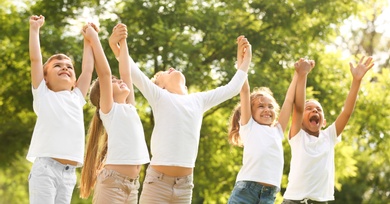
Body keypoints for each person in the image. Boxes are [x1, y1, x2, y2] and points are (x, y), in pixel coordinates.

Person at [109, 29, 252, 203]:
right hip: (157, 184)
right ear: (160, 86)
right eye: (164, 73)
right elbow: (131, 70)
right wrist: (117, 46)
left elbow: (232, 88)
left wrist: (245, 62)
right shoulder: (160, 96)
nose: (170, 68)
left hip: (185, 186)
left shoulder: (198, 100)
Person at [282, 56, 374, 204]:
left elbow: (346, 112)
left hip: (320, 201)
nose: (315, 111)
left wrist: (356, 81)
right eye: (309, 109)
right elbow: (298, 108)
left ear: (323, 122)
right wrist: (302, 75)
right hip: (294, 200)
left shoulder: (329, 136)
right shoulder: (297, 136)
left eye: (318, 109)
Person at [27, 15, 94, 204]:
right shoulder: (43, 94)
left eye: (69, 67)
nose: (64, 68)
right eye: (57, 66)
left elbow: (88, 69)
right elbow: (35, 59)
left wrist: (88, 41)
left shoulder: (77, 97)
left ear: (74, 80)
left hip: (69, 174)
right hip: (46, 170)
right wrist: (34, 29)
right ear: (45, 77)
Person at [79, 23, 150, 203]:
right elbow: (104, 72)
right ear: (104, 94)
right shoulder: (109, 110)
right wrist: (94, 37)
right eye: (114, 81)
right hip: (113, 184)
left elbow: (125, 70)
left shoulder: (129, 107)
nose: (119, 80)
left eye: (117, 79)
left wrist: (122, 41)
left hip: (133, 186)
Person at [227, 58, 314, 204]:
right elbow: (245, 89)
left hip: (269, 195)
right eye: (261, 106)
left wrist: (297, 75)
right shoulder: (249, 127)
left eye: (270, 106)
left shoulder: (277, 130)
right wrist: (243, 60)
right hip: (245, 192)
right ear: (250, 111)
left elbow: (288, 100)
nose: (267, 109)